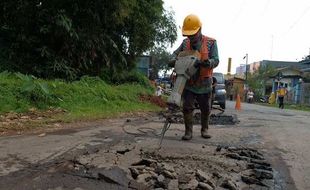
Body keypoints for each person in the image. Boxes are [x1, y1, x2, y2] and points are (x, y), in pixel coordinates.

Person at [170, 14, 219, 140]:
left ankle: (205, 129)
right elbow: (174, 55)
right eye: (188, 34)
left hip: (204, 82)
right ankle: (188, 132)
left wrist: (209, 63)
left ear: (200, 30)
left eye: (193, 34)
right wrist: (172, 60)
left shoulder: (211, 43)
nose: (191, 37)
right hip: (189, 82)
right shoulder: (185, 43)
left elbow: (216, 59)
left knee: (206, 108)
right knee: (187, 107)